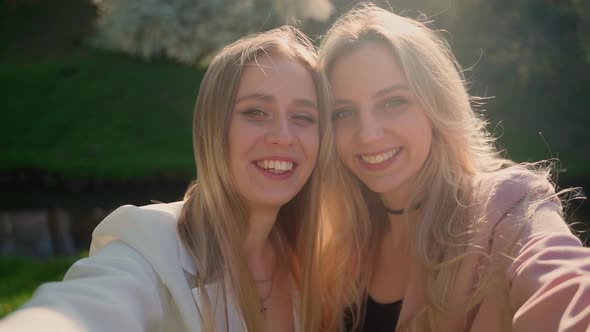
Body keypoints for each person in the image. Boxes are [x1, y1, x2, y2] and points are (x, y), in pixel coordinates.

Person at [0, 25, 329, 332]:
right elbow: (84, 309)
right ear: (211, 128)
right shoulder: (151, 242)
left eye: (303, 117)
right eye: (256, 112)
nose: (284, 137)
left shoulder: (321, 258)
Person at [318, 4, 590, 331]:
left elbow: (566, 285)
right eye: (344, 113)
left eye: (393, 102)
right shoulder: (336, 243)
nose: (368, 134)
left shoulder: (505, 208)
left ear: (435, 106)